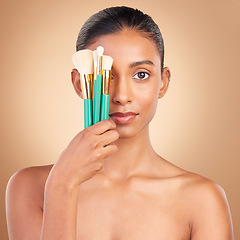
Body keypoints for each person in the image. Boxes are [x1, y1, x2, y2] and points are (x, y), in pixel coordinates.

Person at [6, 6, 233, 240]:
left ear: (163, 83)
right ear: (80, 83)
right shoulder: (31, 188)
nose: (122, 96)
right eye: (107, 76)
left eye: (141, 74)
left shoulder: (202, 199)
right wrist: (63, 184)